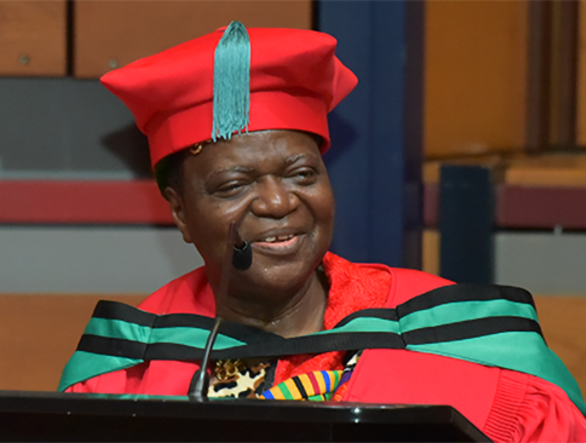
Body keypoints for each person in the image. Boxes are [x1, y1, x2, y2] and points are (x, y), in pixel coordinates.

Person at [59, 22, 586, 442]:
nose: (278, 202)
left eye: (301, 174)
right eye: (233, 184)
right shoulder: (125, 372)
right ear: (179, 213)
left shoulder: (467, 343)